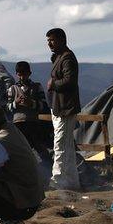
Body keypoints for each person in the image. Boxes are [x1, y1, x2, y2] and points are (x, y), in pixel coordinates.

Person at [46, 28, 81, 191]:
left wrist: (54, 84)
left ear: (61, 39)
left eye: (52, 40)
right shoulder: (59, 57)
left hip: (65, 108)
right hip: (59, 107)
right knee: (66, 145)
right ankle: (73, 181)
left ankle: (58, 179)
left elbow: (70, 81)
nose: (49, 43)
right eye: (48, 40)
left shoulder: (67, 58)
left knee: (60, 143)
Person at [8, 61, 51, 161]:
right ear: (16, 74)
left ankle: (47, 167)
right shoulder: (12, 89)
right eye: (20, 75)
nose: (22, 77)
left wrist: (31, 103)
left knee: (39, 148)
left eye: (24, 74)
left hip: (33, 124)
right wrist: (16, 103)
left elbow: (43, 105)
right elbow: (7, 107)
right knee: (20, 148)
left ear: (29, 73)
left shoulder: (37, 87)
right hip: (18, 125)